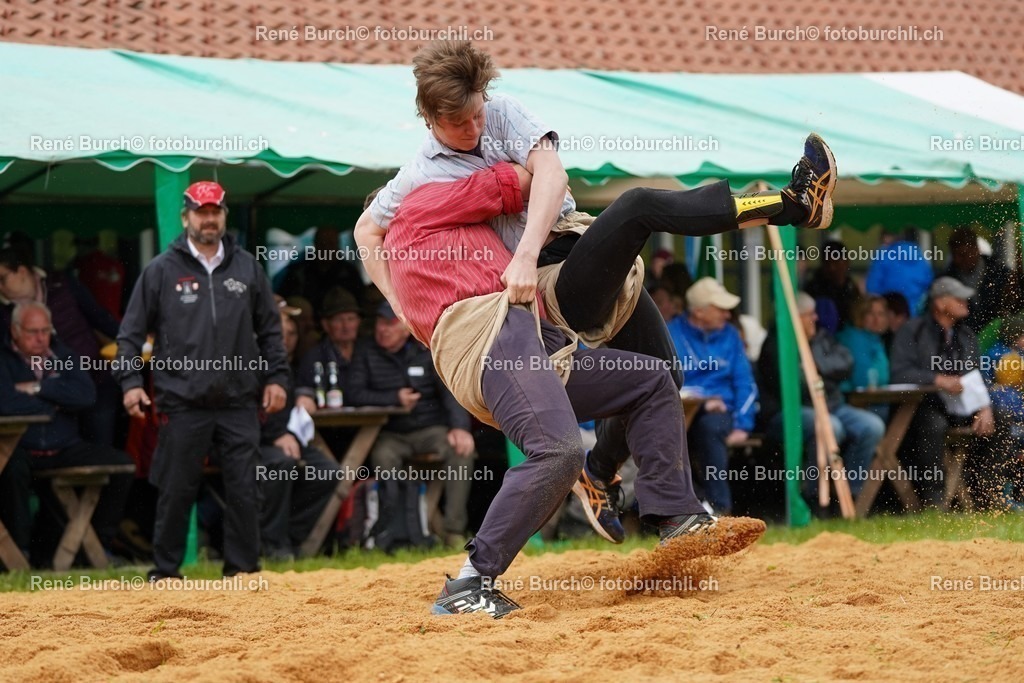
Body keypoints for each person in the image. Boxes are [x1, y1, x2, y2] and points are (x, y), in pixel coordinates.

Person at [355, 40, 837, 562]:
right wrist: (403, 306)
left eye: (476, 115)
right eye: (457, 124)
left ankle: (600, 472)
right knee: (636, 207)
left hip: (569, 250)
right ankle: (793, 203)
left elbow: (553, 174)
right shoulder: (420, 174)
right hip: (539, 284)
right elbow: (367, 230)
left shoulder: (504, 113)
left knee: (661, 377)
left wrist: (524, 248)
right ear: (428, 118)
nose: (472, 130)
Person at [114, 180, 289, 581]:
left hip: (240, 399)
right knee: (176, 489)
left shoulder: (247, 267)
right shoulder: (160, 270)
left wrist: (278, 378)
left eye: (215, 211)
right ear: (185, 216)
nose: (209, 219)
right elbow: (129, 335)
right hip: (181, 400)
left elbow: (271, 332)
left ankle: (242, 571)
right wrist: (130, 383)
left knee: (245, 488)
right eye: (201, 211)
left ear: (224, 214)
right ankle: (166, 573)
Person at [0, 302, 133, 566]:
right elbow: (6, 403)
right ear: (14, 331)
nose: (40, 338)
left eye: (45, 330)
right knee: (11, 472)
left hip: (64, 448)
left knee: (124, 466)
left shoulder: (65, 355)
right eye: (32, 332)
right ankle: (19, 555)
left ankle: (98, 545)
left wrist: (37, 388)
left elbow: (86, 395)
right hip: (21, 448)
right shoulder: (2, 359)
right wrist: (56, 400)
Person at [348, 301, 475, 547]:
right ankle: (393, 531)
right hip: (391, 433)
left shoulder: (425, 350)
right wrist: (393, 398)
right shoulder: (365, 351)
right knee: (382, 456)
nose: (383, 329)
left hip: (430, 430)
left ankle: (453, 531)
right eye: (380, 323)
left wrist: (460, 428)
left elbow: (450, 392)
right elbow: (353, 393)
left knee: (462, 451)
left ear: (405, 327)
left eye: (390, 323)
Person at [758, 293, 884, 507]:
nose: (815, 318)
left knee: (872, 426)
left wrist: (817, 366)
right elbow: (799, 386)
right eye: (809, 315)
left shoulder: (821, 337)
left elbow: (846, 363)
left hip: (831, 405)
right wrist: (820, 372)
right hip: (790, 412)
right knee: (829, 427)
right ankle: (814, 497)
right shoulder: (777, 345)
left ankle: (850, 494)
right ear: (795, 318)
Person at [0, 247, 122, 447]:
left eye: (2, 279)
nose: (0, 287)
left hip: (93, 377)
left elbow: (100, 318)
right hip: (46, 392)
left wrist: (138, 340)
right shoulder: (3, 312)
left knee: (100, 447)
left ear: (21, 271)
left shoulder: (62, 284)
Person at [891, 277, 995, 506]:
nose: (965, 302)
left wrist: (984, 407)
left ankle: (988, 495)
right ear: (939, 303)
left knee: (1001, 418)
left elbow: (976, 378)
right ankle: (934, 501)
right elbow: (899, 372)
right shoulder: (913, 331)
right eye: (958, 298)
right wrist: (937, 379)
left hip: (963, 407)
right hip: (922, 406)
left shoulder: (966, 336)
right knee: (933, 425)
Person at [666, 278, 758, 515]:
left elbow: (745, 382)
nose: (727, 315)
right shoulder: (670, 333)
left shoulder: (731, 336)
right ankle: (683, 507)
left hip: (720, 414)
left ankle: (720, 509)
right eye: (720, 309)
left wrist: (742, 425)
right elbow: (664, 379)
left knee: (709, 428)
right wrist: (705, 400)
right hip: (679, 410)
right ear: (698, 311)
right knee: (665, 438)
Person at [258, 304, 340, 559]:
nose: (286, 339)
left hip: (286, 437)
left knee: (328, 472)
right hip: (252, 441)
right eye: (280, 332)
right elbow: (246, 410)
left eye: (291, 333)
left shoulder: (290, 363)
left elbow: (295, 393)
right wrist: (276, 435)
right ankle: (271, 543)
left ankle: (290, 537)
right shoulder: (251, 359)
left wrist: (303, 395)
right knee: (282, 464)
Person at [275, 226, 366, 315]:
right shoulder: (299, 271)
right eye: (323, 243)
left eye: (331, 243)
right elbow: (284, 301)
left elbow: (360, 303)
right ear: (315, 244)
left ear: (338, 245)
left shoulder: (349, 273)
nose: (327, 248)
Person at [944, 227, 1012, 333]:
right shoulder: (946, 279)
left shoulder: (1001, 273)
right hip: (963, 339)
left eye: (963, 254)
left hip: (999, 336)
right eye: (954, 255)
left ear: (975, 249)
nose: (958, 260)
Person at [837, 295, 891, 419]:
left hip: (875, 400)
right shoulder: (854, 339)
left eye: (881, 314)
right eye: (870, 314)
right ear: (859, 315)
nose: (876, 319)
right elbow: (861, 380)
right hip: (855, 402)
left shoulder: (874, 339)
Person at [865, 226, 933, 315]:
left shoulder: (883, 254)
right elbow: (928, 280)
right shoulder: (917, 253)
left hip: (891, 311)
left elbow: (872, 287)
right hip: (916, 311)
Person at [804, 240, 861, 328]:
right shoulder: (815, 288)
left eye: (838, 262)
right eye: (829, 263)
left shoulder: (850, 286)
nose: (833, 268)